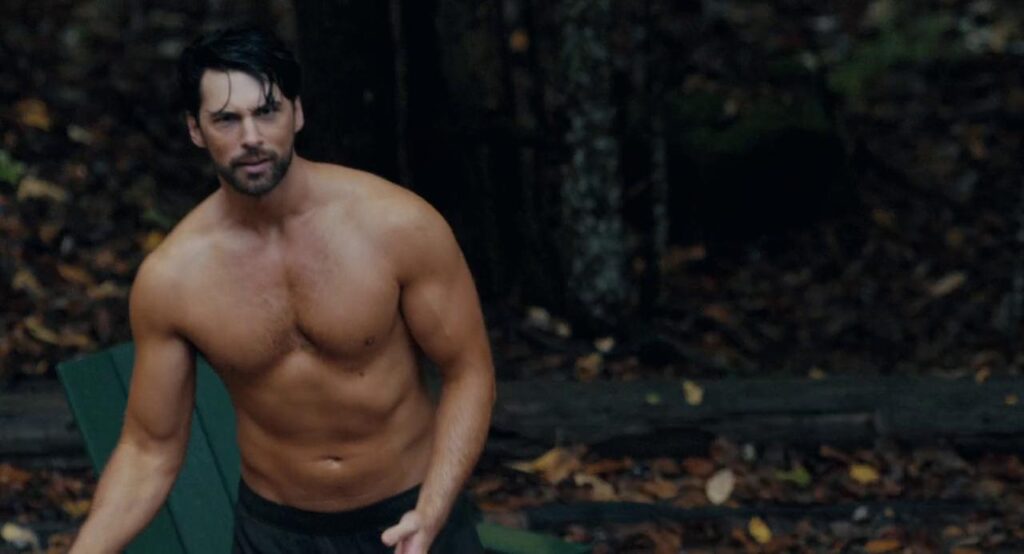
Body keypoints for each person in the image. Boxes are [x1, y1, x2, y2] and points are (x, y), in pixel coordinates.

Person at [69, 27, 495, 554]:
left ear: (296, 114)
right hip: (276, 534)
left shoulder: (398, 226)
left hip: (414, 513)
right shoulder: (173, 279)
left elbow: (468, 371)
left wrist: (432, 510)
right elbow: (149, 449)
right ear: (196, 131)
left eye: (266, 111)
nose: (251, 136)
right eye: (226, 118)